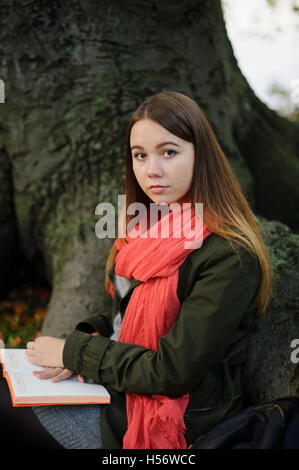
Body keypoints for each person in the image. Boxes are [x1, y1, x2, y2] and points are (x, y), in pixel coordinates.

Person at [25, 91, 273, 449]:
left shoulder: (229, 256)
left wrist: (75, 354)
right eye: (140, 155)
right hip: (117, 389)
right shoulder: (144, 231)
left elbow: (172, 372)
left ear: (200, 156)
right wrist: (88, 338)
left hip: (174, 422)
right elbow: (124, 315)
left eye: (168, 152)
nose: (151, 170)